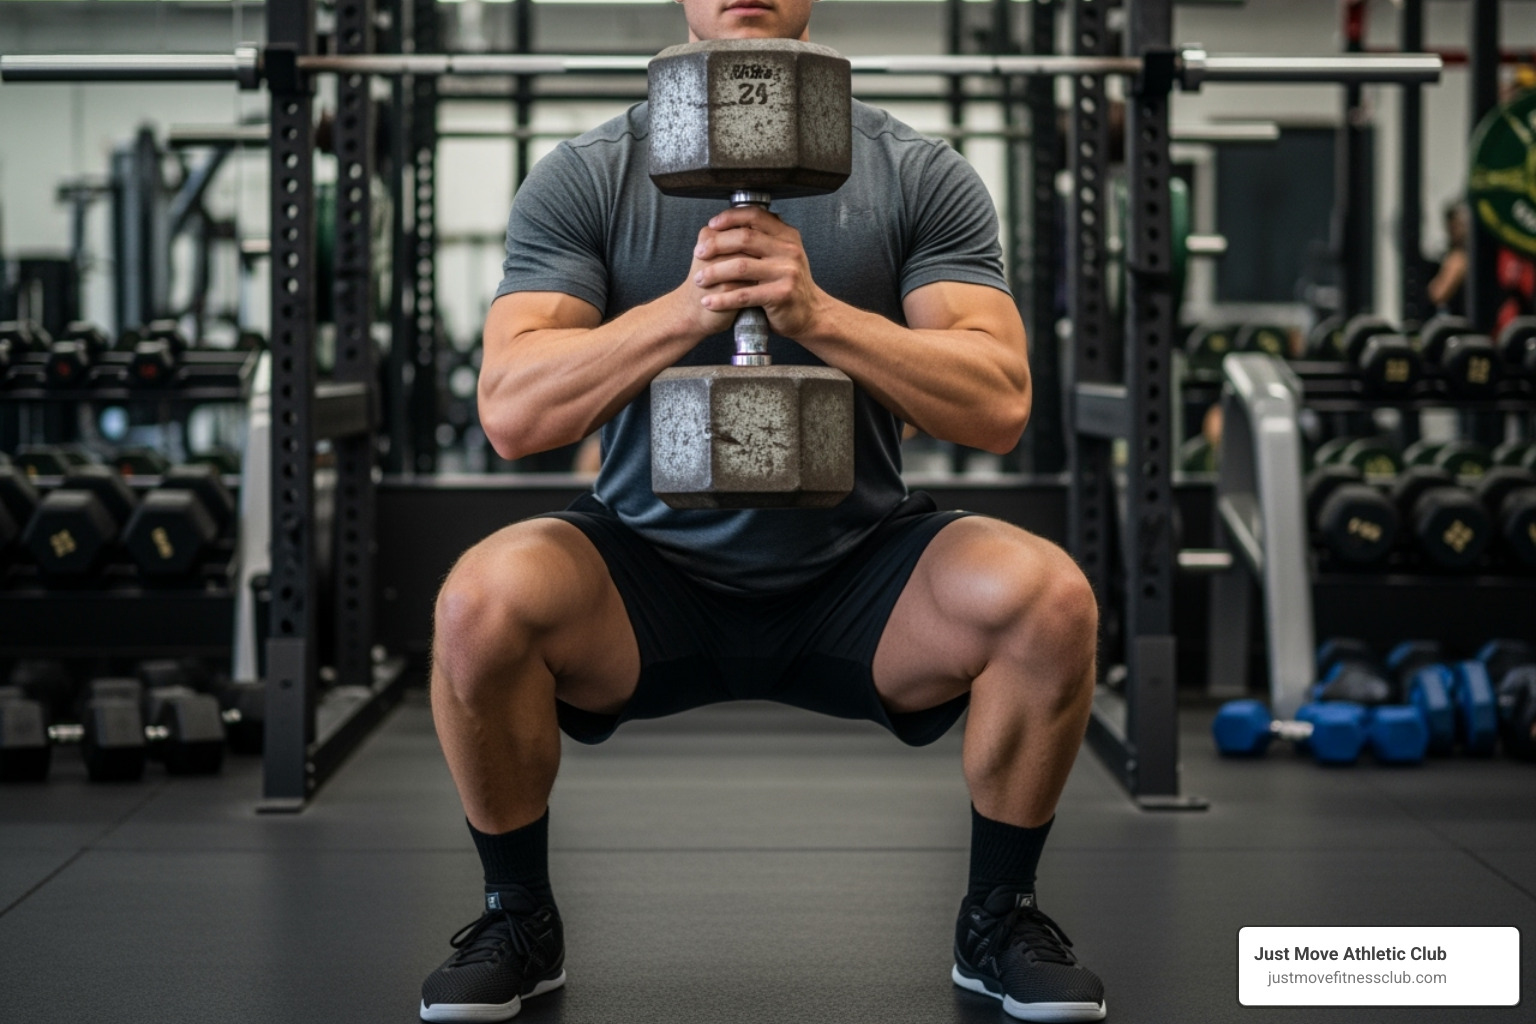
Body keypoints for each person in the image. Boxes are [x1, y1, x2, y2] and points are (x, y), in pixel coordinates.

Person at [419, 0, 1105, 1021]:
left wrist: (817, 313)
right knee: (480, 601)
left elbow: (998, 400)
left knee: (1050, 598)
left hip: (863, 565)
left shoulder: (917, 171)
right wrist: (691, 306)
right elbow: (514, 410)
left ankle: (998, 917)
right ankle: (518, 914)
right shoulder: (590, 172)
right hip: (645, 566)